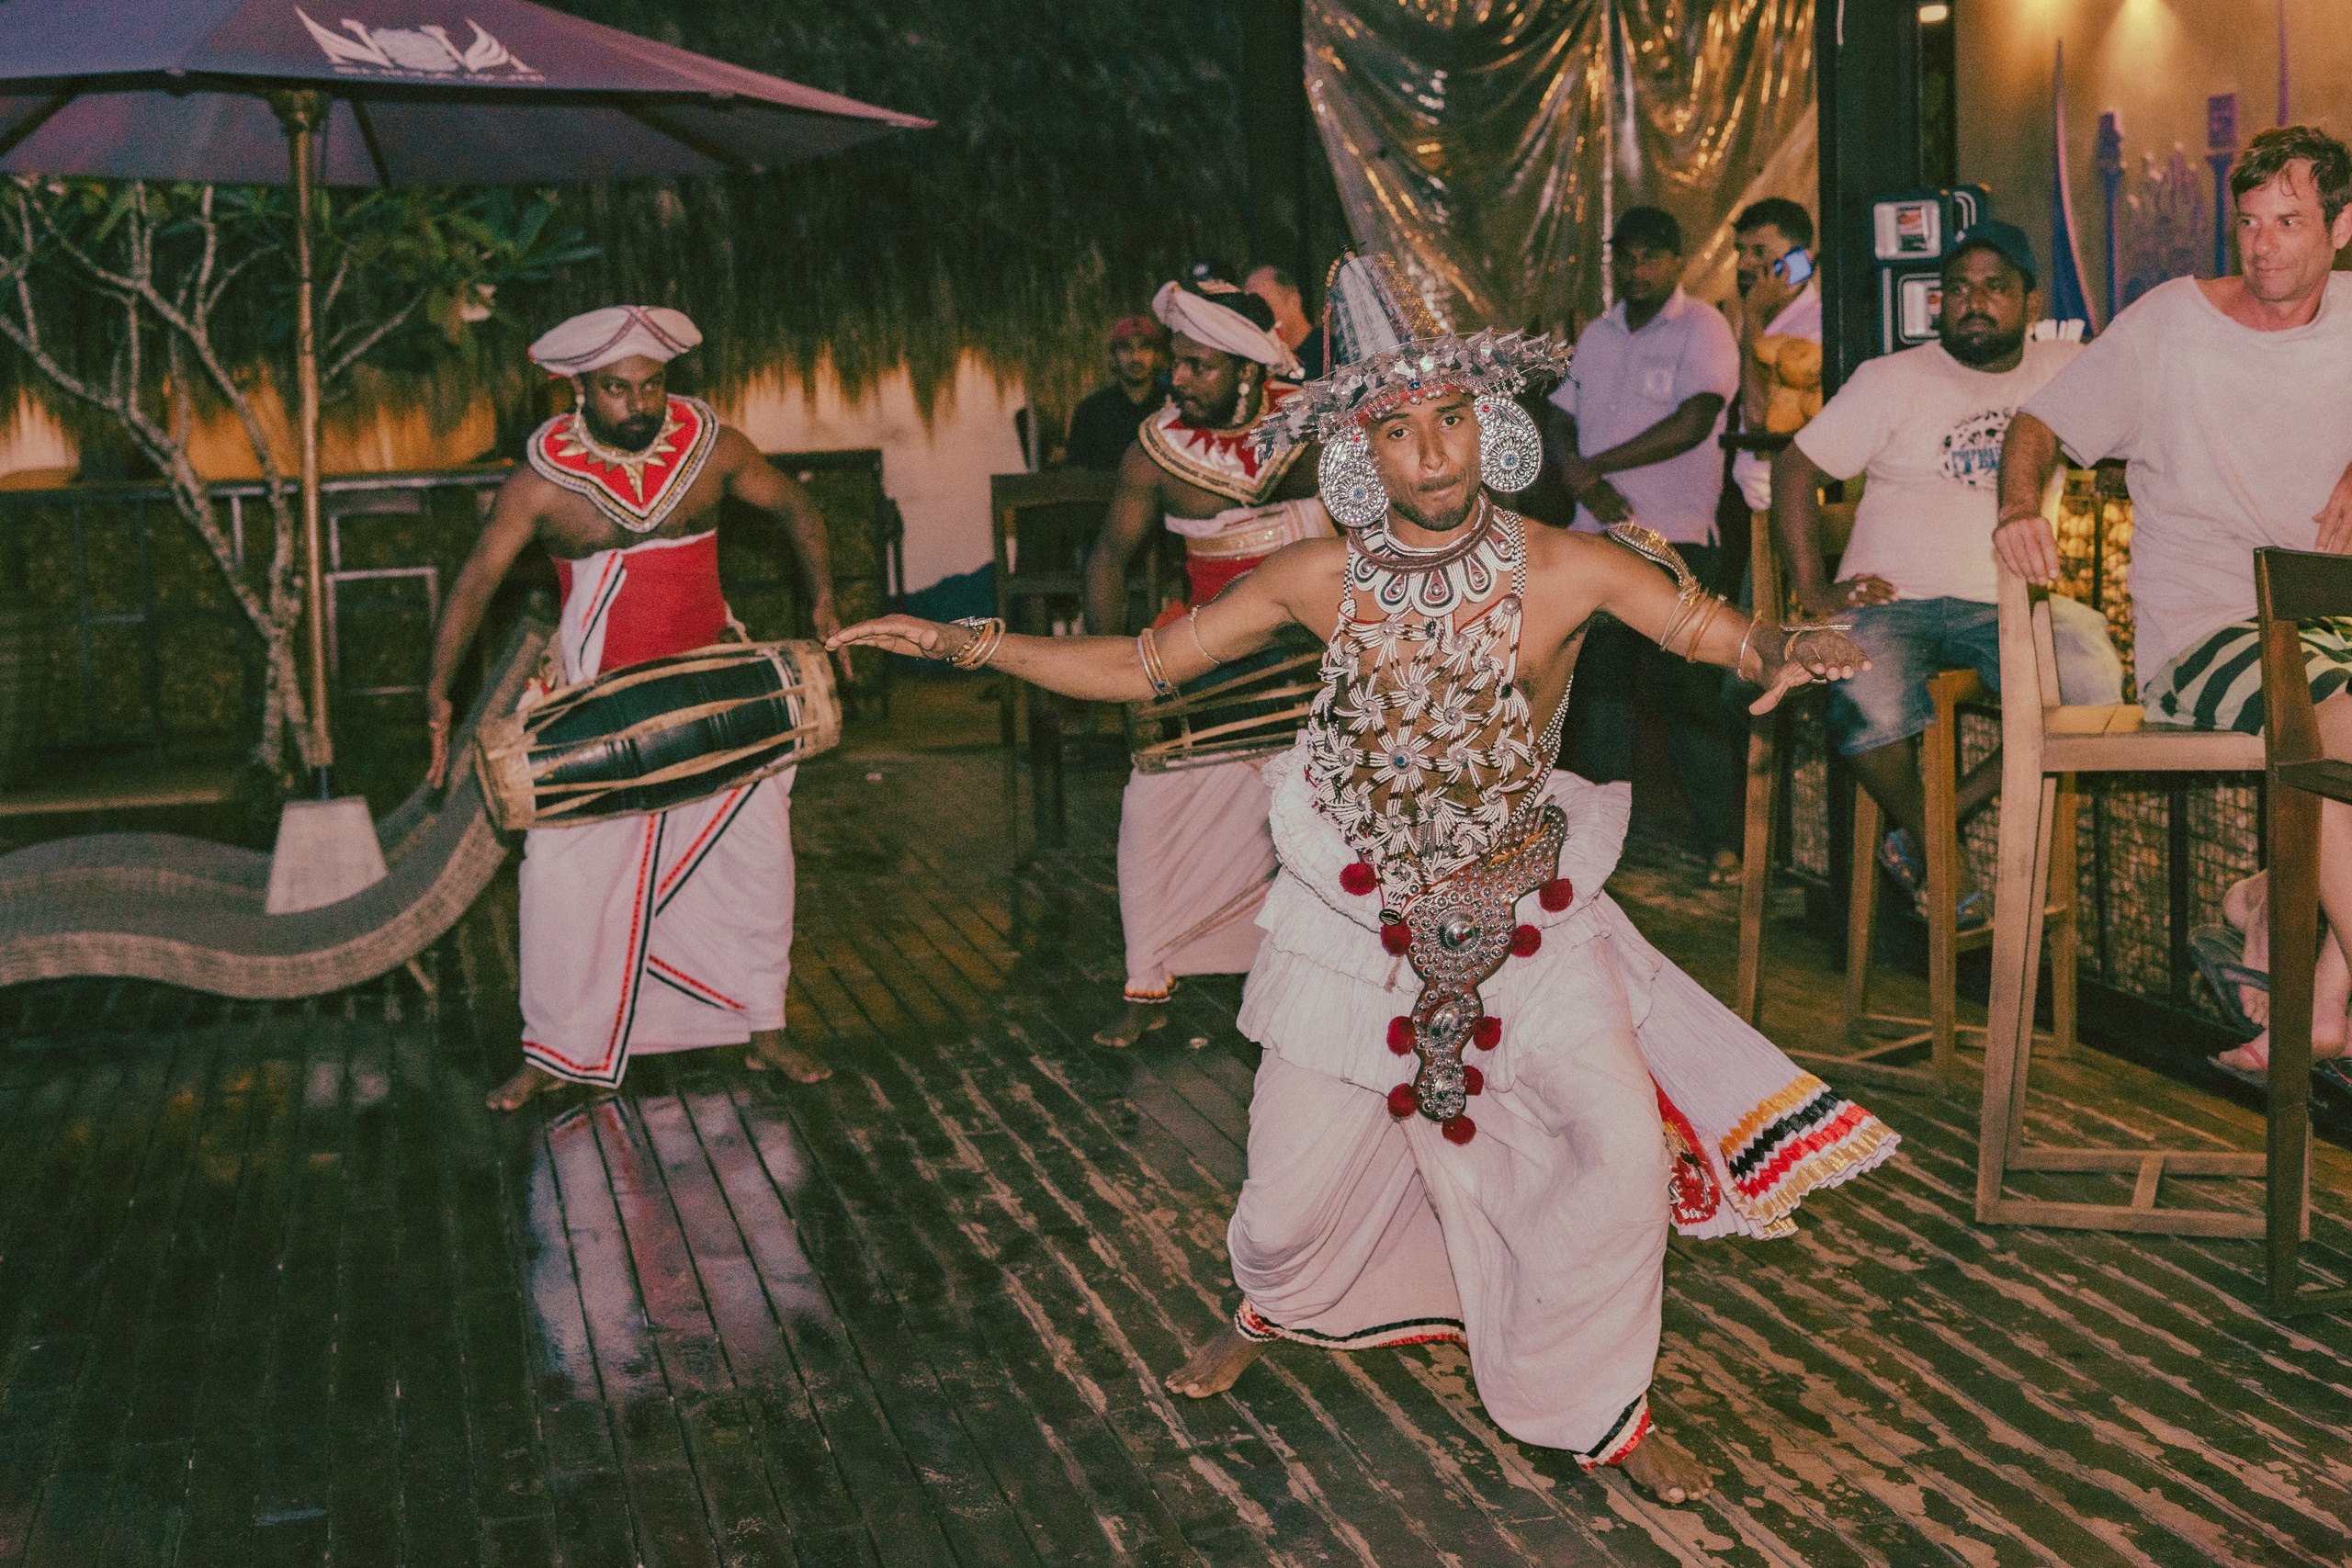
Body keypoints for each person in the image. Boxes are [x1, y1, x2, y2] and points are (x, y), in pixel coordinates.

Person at [829, 254, 1897, 1504]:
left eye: (1453, 420)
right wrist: (962, 639)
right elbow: (1141, 664)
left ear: (1488, 430)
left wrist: (1788, 637)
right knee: (1283, 1203)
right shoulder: (1311, 579)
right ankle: (1273, 1302)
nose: (1433, 452)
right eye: (1399, 429)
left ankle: (1598, 1402)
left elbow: (1719, 632)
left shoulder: (1572, 564)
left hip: (1530, 916)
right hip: (1354, 925)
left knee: (1615, 1155)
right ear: (1359, 453)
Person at [1995, 123, 2352, 1080]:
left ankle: (2283, 941)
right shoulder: (2169, 324)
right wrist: (2018, 506)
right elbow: (2038, 421)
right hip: (2207, 634)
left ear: (2343, 227)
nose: (2264, 244)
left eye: (2288, 220)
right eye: (2249, 223)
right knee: (2342, 728)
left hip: (2334, 626)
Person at [423, 306, 842, 1109]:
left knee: (756, 863)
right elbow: (475, 581)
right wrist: (439, 692)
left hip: (717, 686)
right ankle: (552, 1051)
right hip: (594, 705)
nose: (639, 404)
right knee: (558, 875)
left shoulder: (714, 448)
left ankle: (763, 1025)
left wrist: (823, 600)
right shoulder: (542, 484)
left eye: (651, 386)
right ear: (577, 389)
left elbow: (796, 506)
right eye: (617, 389)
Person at [1772, 220, 2123, 926]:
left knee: (2093, 691)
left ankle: (1926, 831)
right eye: (1957, 288)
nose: (1972, 302)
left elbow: (2139, 417)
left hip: (2006, 600)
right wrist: (1813, 589)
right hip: (1893, 596)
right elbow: (1794, 469)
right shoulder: (1890, 378)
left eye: (1995, 287)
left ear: (2030, 302)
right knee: (1860, 693)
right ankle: (1949, 857)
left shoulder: (2064, 365)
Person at [1083, 278, 1331, 1047]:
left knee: (1338, 833)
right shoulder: (1156, 450)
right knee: (1150, 810)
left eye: (1198, 366)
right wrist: (1112, 666)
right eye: (1177, 363)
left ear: (1251, 371)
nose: (1176, 378)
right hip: (1211, 664)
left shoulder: (1324, 431)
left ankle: (1326, 979)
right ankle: (1148, 981)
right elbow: (1109, 559)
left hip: (1323, 666)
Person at [1546, 206, 1747, 883]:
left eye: (1651, 257)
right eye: (1626, 257)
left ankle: (1724, 843)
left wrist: (1596, 466)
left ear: (1677, 260)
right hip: (1594, 539)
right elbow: (1558, 414)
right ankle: (1594, 852)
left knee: (1688, 694)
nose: (1637, 270)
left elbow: (1695, 421)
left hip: (1676, 540)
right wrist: (1577, 471)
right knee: (1599, 695)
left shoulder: (1703, 328)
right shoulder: (1599, 335)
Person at [1724, 197, 1823, 512]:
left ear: (1801, 261)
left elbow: (1759, 420)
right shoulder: (1760, 320)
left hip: (1788, 506)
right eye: (1741, 251)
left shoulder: (1815, 329)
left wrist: (1752, 314)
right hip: (1751, 503)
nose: (1743, 265)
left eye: (1759, 252)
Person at [1065, 315, 1170, 472]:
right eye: (1127, 348)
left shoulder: (1173, 409)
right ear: (1114, 357)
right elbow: (1075, 474)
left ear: (1156, 355)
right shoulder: (1090, 411)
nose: (1136, 357)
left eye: (1144, 347)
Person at [1245, 264, 1327, 379]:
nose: (1256, 317)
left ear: (1294, 302)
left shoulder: (1329, 352)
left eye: (1264, 306)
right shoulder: (1258, 364)